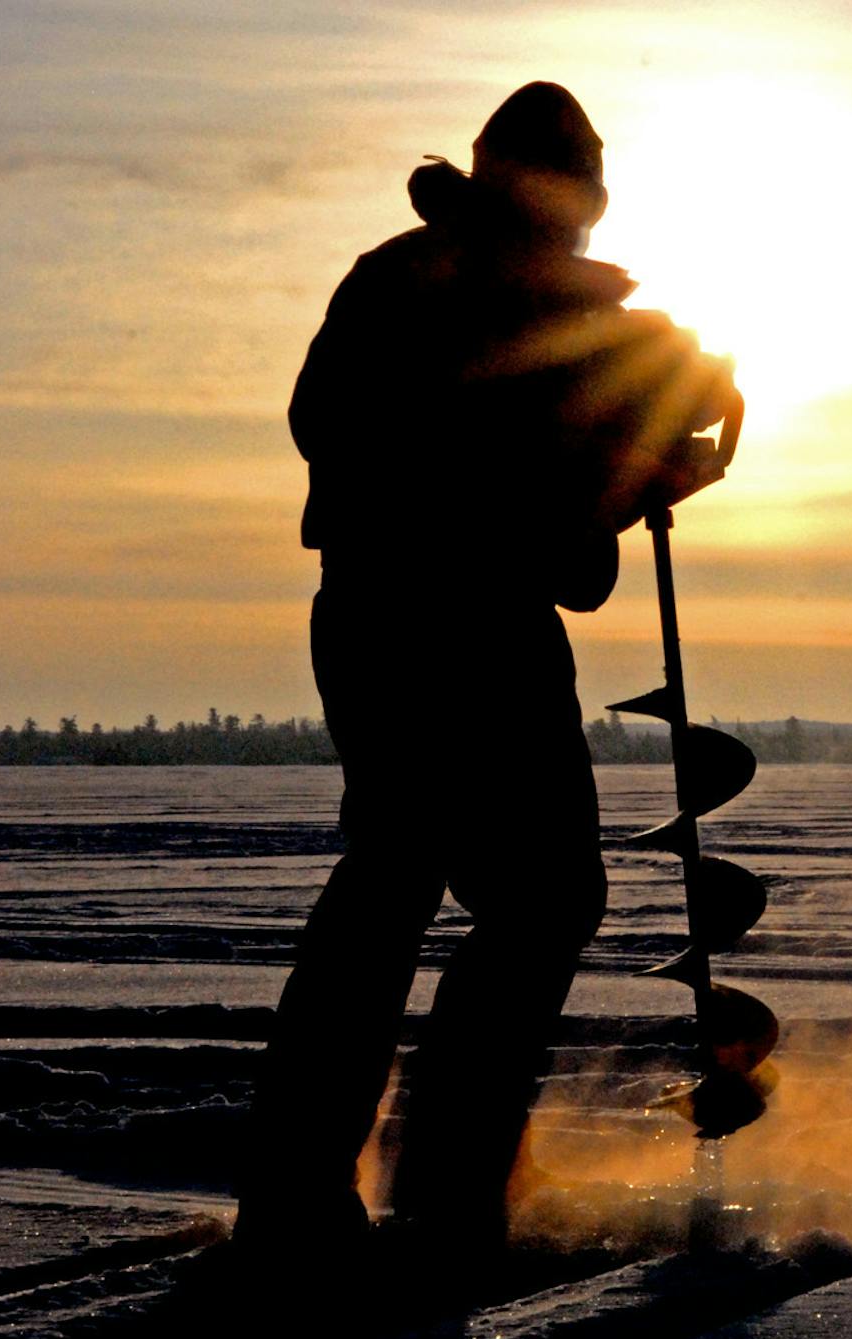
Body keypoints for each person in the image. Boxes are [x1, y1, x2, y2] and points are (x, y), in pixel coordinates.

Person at [235, 81, 735, 1260]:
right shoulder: (437, 283)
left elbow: (567, 456)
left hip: (450, 621)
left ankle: (411, 1180)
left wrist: (640, 448)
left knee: (476, 890)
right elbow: (377, 427)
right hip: (425, 621)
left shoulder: (497, 293)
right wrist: (612, 422)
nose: (574, 220)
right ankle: (367, 1190)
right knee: (441, 883)